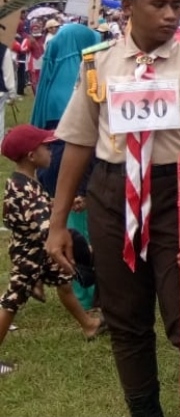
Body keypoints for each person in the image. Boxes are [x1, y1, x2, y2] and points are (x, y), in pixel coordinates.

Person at [45, 0, 180, 417]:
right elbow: (78, 142)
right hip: (112, 192)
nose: (171, 15)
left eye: (177, 6)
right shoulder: (98, 63)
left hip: (175, 195)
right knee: (126, 321)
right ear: (128, 7)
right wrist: (57, 223)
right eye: (159, 5)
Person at [0, 125, 105, 376]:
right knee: (11, 302)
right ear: (31, 156)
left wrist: (64, 204)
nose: (51, 152)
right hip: (30, 257)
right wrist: (82, 247)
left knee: (64, 283)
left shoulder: (21, 182)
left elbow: (39, 208)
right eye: (45, 147)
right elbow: (46, 226)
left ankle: (89, 325)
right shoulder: (27, 190)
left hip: (35, 250)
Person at [30, 23, 101, 309]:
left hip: (50, 166)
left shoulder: (51, 79)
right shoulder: (84, 79)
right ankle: (86, 292)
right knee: (81, 231)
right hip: (79, 168)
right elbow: (84, 138)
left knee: (63, 226)